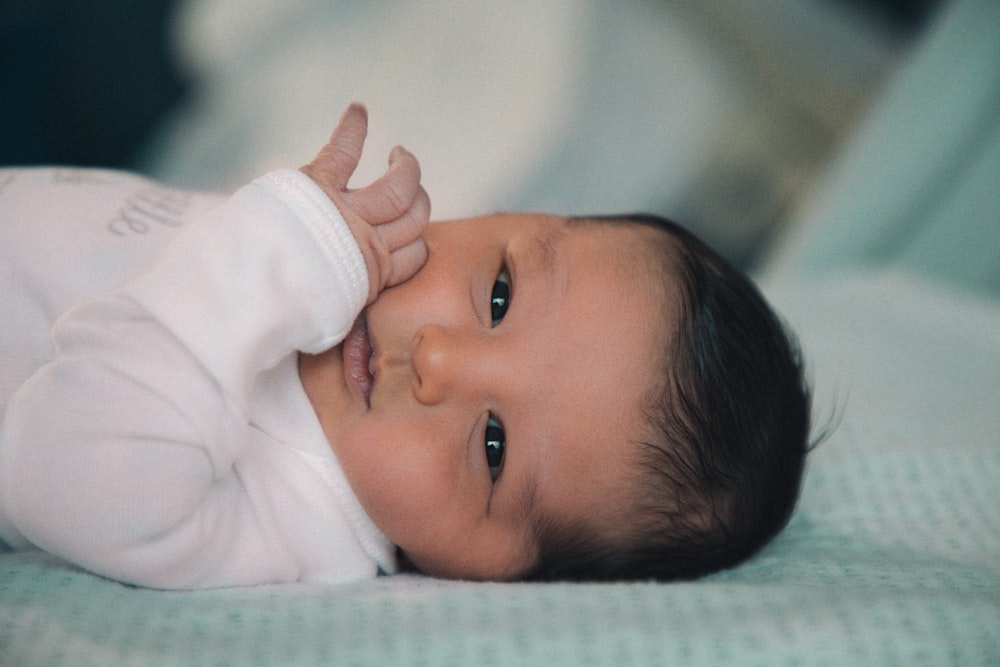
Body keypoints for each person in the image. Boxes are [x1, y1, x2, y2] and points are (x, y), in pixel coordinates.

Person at [0, 104, 811, 588]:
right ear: (505, 214)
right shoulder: (335, 268)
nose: (438, 360)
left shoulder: (294, 524)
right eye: (500, 294)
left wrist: (273, 253)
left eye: (495, 446)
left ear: (491, 572)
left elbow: (56, 472)